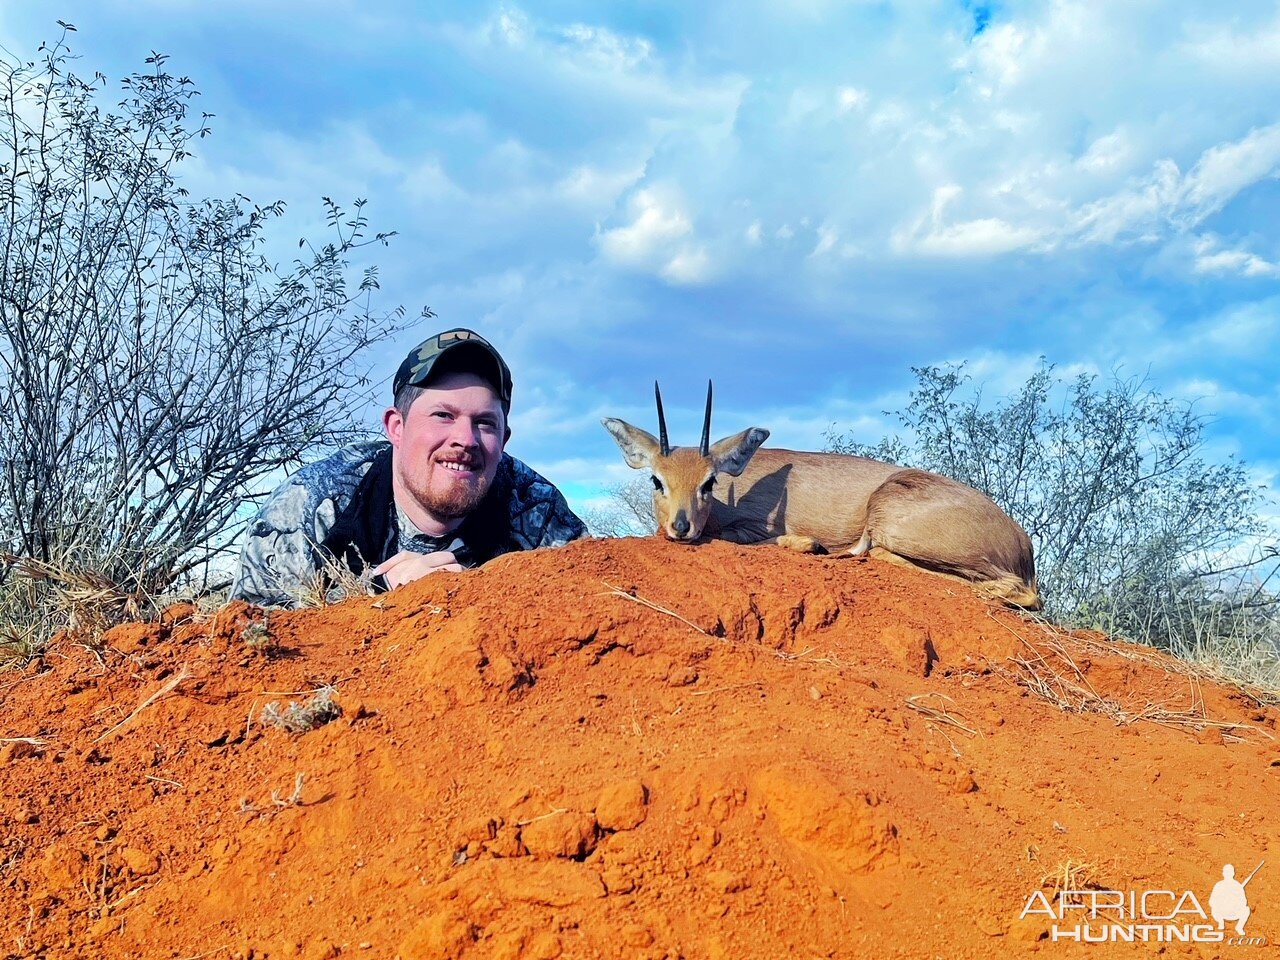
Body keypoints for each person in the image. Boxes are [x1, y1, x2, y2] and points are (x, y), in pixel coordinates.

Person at [230, 327, 586, 607]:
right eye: (443, 415)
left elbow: (590, 606)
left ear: (504, 439)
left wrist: (480, 598)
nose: (466, 439)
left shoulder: (537, 507)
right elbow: (252, 637)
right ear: (396, 428)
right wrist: (377, 598)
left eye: (485, 423)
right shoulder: (312, 503)